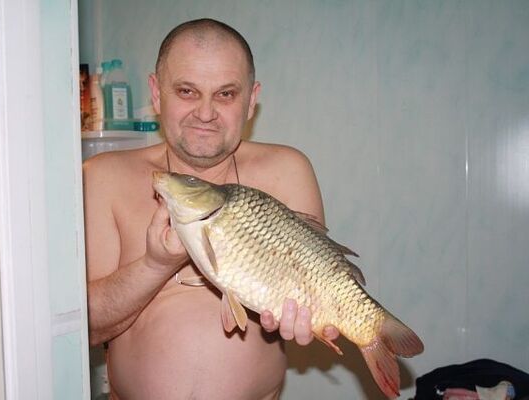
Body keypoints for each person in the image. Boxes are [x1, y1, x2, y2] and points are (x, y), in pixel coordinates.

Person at [83, 18, 339, 400]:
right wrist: (155, 265)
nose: (205, 113)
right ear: (157, 93)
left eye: (225, 94)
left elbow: (312, 290)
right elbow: (85, 328)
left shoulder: (288, 171)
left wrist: (307, 317)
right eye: (187, 91)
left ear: (251, 100)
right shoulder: (103, 176)